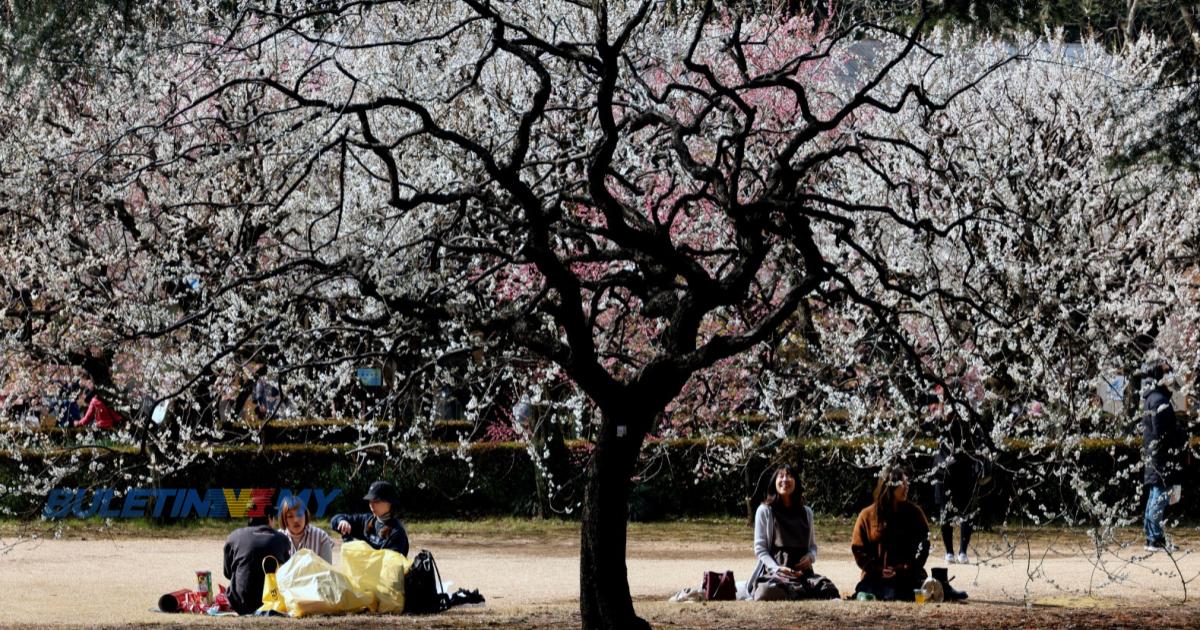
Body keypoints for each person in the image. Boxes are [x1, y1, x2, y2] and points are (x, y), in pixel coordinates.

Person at [747, 464, 840, 600]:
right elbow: (760, 549)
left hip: (803, 575)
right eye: (781, 476)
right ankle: (798, 593)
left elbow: (813, 547)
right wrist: (777, 568)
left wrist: (810, 558)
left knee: (829, 589)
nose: (785, 480)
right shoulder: (765, 511)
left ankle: (798, 591)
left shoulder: (807, 512)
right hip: (775, 575)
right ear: (774, 482)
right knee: (766, 591)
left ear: (796, 482)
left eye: (789, 476)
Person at [851, 467, 931, 601]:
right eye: (902, 483)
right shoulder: (867, 515)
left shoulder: (915, 513)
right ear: (889, 486)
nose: (907, 487)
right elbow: (858, 549)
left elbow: (924, 546)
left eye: (907, 483)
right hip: (875, 577)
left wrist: (902, 569)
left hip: (908, 577)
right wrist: (877, 570)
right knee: (869, 594)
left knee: (919, 594)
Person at [1139, 360, 1188, 552]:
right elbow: (1163, 431)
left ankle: (1152, 536)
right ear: (1158, 377)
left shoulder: (1153, 397)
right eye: (1166, 372)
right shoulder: (1159, 400)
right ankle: (1154, 538)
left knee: (1155, 494)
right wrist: (1181, 431)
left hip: (1156, 455)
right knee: (1160, 495)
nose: (1170, 376)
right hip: (1161, 456)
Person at [223, 505, 291, 615]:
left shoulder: (234, 536)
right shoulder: (281, 539)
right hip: (273, 603)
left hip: (240, 604)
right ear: (270, 518)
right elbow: (287, 574)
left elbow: (227, 573)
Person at [330, 480, 410, 556]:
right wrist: (342, 521)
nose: (371, 505)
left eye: (376, 501)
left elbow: (389, 565)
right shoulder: (367, 520)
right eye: (370, 501)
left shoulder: (396, 533)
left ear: (390, 502)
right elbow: (335, 520)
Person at [278, 495, 335, 563]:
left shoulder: (321, 537)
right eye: (290, 516)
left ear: (305, 514)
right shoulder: (277, 538)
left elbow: (327, 569)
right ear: (284, 519)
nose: (296, 520)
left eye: (299, 514)